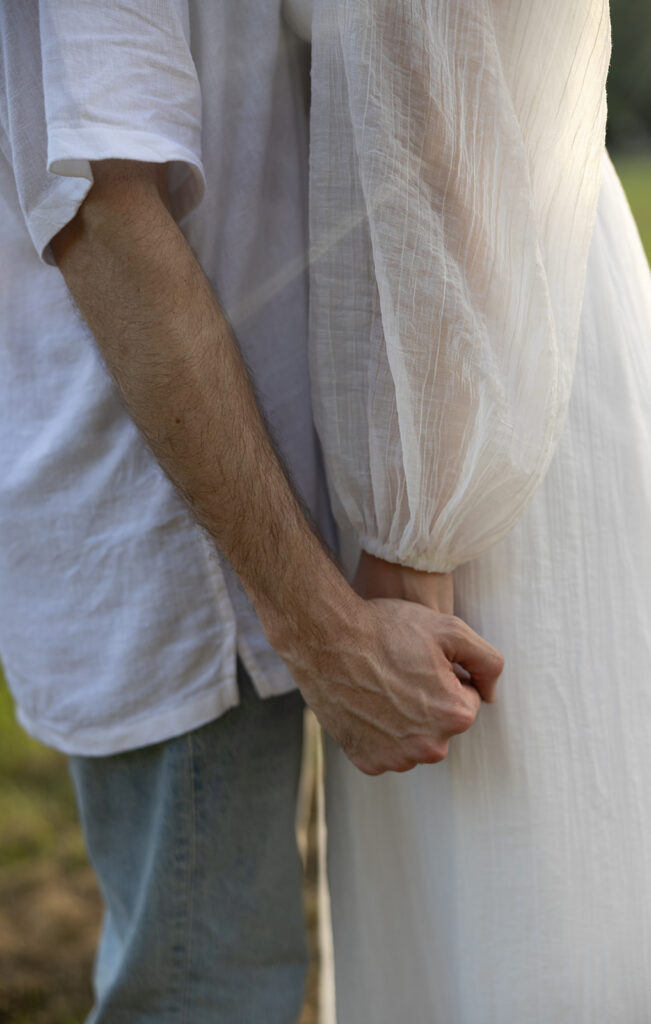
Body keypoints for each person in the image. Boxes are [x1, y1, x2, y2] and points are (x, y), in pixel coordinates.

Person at [0, 2, 503, 1021]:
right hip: (170, 524)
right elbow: (104, 215)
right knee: (209, 990)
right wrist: (318, 625)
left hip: (247, 511)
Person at [299, 0, 651, 1020]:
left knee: (528, 885)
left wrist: (415, 536)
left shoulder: (431, 489)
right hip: (486, 341)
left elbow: (438, 100)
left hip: (470, 387)